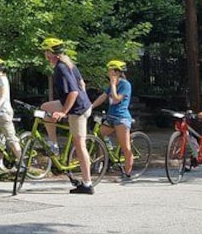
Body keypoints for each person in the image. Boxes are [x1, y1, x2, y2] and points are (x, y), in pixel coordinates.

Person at [40, 37, 94, 195]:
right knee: (45, 109)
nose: (45, 55)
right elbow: (82, 84)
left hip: (78, 110)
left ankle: (87, 183)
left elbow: (74, 92)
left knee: (80, 145)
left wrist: (63, 112)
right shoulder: (68, 63)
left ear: (51, 53)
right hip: (78, 104)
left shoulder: (62, 68)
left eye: (46, 52)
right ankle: (54, 145)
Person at [91, 60, 134, 178]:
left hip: (121, 118)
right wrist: (91, 106)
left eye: (110, 70)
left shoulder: (125, 85)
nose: (108, 72)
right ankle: (105, 159)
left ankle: (128, 173)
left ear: (117, 72)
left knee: (125, 147)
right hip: (111, 117)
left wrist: (114, 85)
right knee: (99, 135)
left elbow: (116, 99)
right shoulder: (111, 85)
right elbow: (103, 97)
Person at [0, 57, 21, 169]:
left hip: (3, 112)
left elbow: (3, 97)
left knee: (11, 138)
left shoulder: (3, 79)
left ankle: (22, 163)